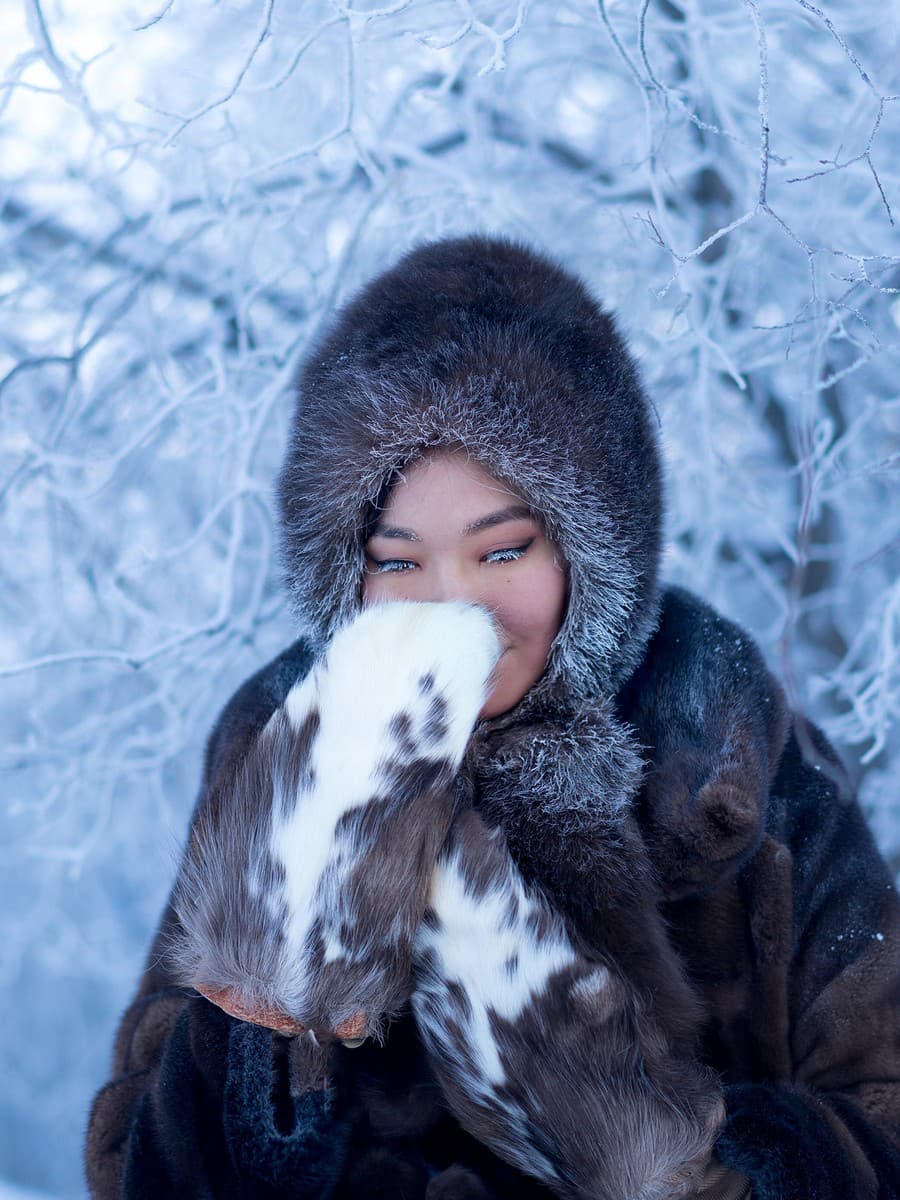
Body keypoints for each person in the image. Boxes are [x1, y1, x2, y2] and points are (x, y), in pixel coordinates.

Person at [84, 234, 900, 1199]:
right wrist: (267, 993)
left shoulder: (727, 751)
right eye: (398, 559)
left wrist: (667, 1154)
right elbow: (143, 1170)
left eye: (503, 551)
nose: (451, 604)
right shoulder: (286, 754)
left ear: (589, 550)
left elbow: (881, 1120)